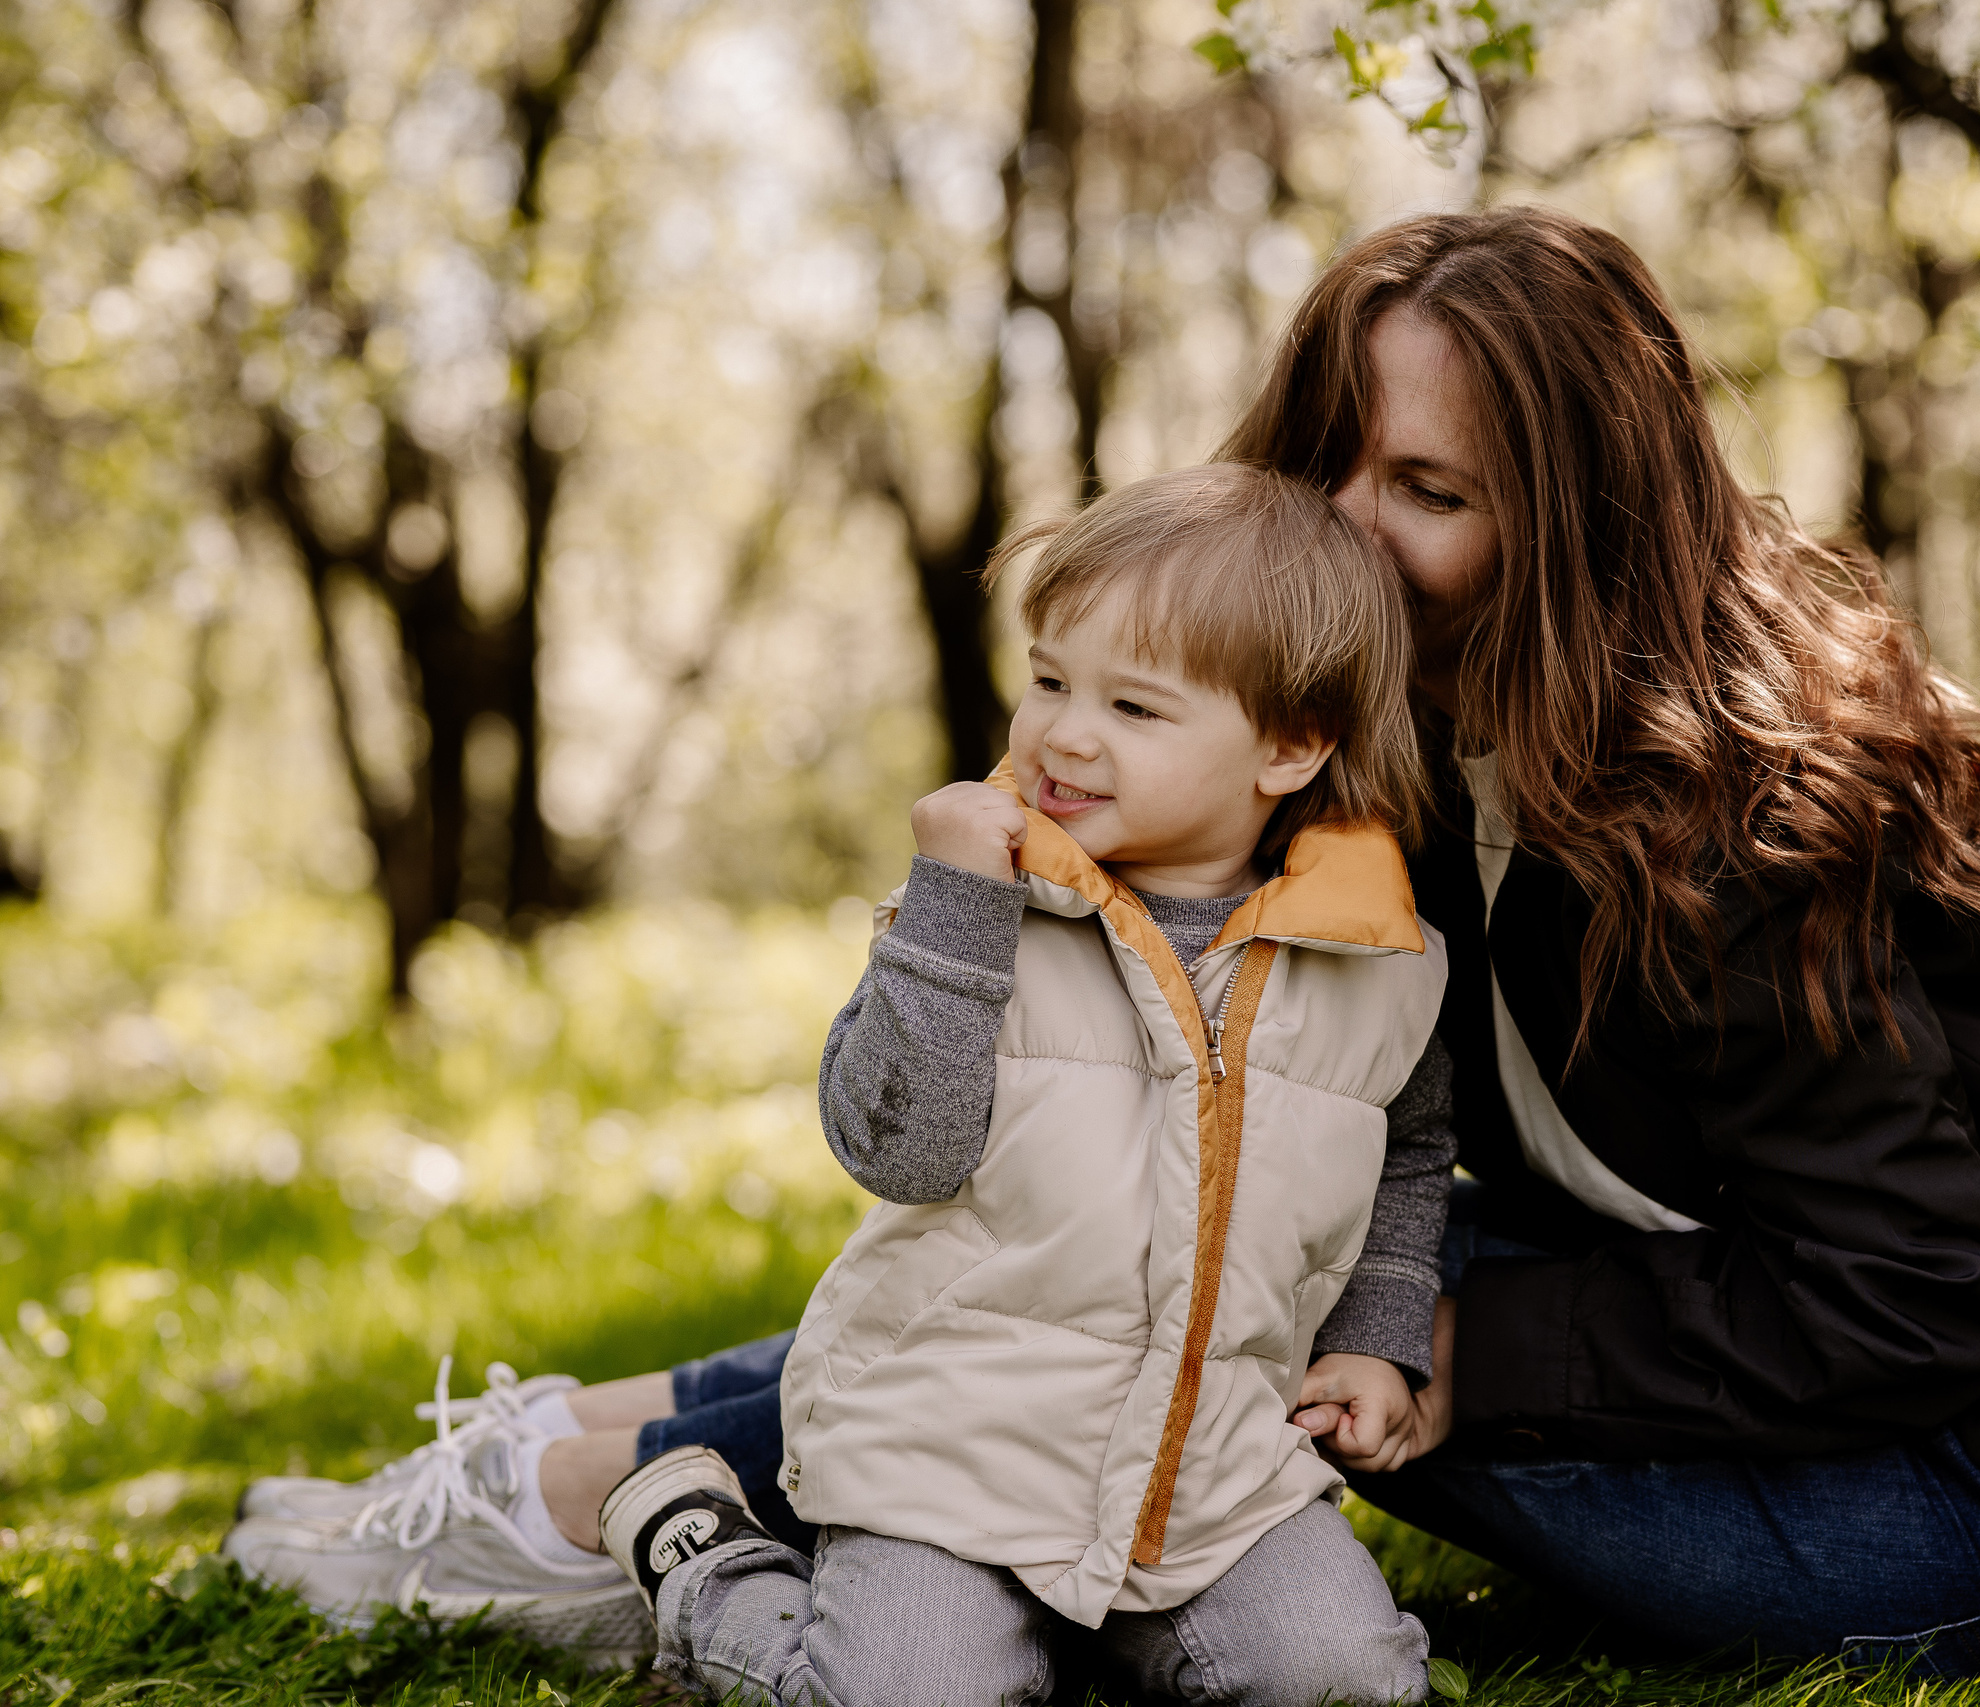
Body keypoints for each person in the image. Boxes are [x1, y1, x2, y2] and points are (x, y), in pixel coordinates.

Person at [230, 204, 1980, 1680]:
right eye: (1335, 457)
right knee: (1163, 1218)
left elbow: (1905, 1298)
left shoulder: (1731, 814)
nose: (1351, 520)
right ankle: (562, 1458)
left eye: (1423, 490)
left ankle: (569, 1498)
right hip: (1766, 1354)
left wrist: (1455, 1346)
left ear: (1574, 524)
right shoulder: (1410, 763)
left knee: (1235, 1298)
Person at [234, 463, 1455, 1707]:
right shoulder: (987, 910)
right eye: (1047, 680)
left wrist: (1377, 1339)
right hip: (940, 1470)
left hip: (1212, 1489)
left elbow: (1408, 1151)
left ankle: (1075, 1648)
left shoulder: (1379, 964)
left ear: (1291, 746)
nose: (1062, 734)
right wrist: (952, 918)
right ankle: (699, 1557)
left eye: (1134, 708)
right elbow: (897, 1150)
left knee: (1347, 1681)